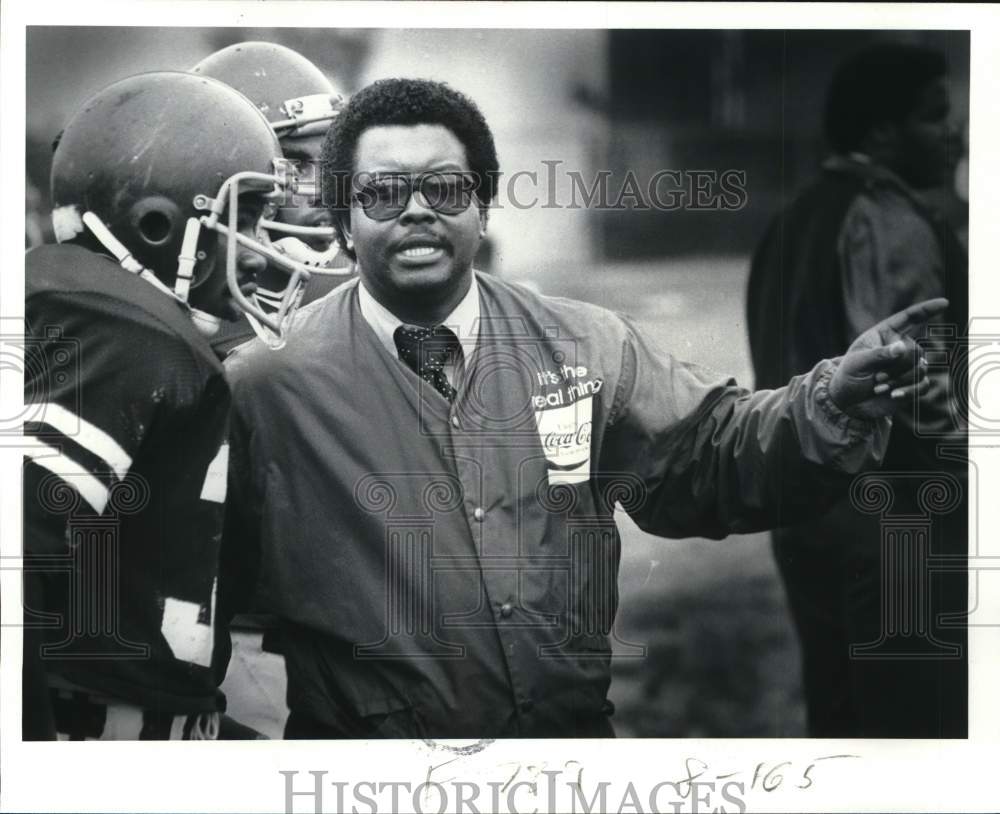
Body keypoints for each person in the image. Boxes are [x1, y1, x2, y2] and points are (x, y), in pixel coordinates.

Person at [224, 77, 943, 739]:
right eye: (383, 193)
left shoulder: (582, 346)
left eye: (444, 188)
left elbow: (707, 451)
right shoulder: (266, 385)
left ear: (484, 202)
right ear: (344, 217)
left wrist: (829, 403)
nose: (417, 211)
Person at [22, 71, 308, 739]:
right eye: (247, 219)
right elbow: (20, 543)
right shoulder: (121, 327)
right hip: (100, 733)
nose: (266, 250)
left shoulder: (131, 319)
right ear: (158, 224)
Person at [746, 43, 968, 737]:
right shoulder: (888, 220)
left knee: (840, 724)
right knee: (911, 734)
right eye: (935, 117)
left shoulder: (790, 221)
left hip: (804, 516)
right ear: (880, 133)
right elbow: (923, 392)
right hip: (896, 520)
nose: (955, 132)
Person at [191, 41, 355, 356]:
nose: (324, 190)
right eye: (294, 165)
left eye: (332, 162)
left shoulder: (351, 301)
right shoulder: (185, 324)